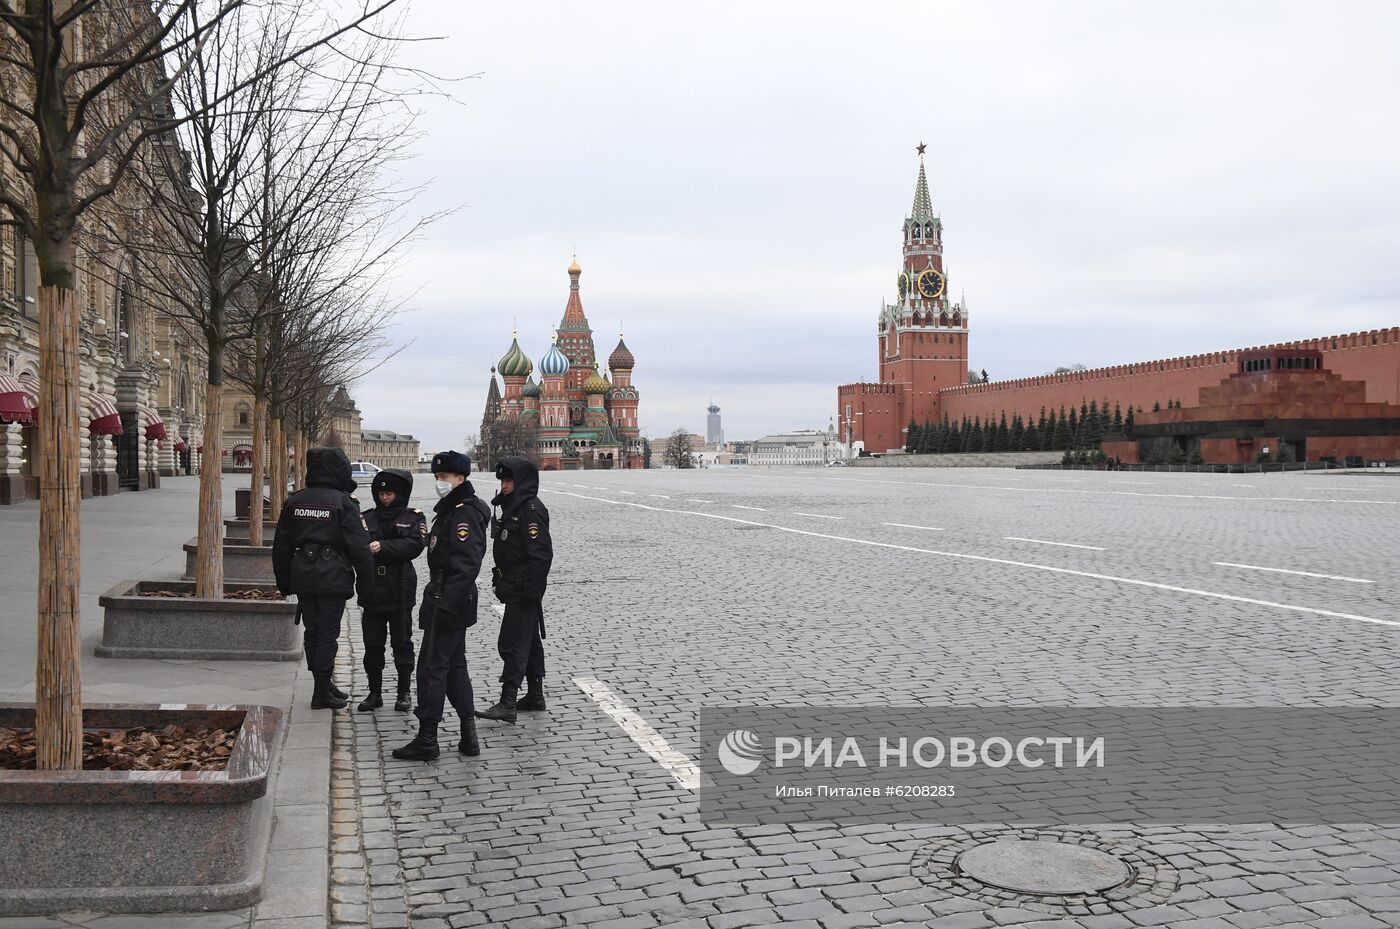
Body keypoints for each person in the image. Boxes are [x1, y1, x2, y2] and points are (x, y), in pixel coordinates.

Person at [393, 450, 490, 761]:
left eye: (444, 477)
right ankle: (468, 735)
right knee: (455, 667)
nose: (439, 482)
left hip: (450, 597)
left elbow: (466, 564)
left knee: (431, 668)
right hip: (446, 595)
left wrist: (447, 604)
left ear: (460, 478)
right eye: (436, 477)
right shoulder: (452, 509)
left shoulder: (463, 513)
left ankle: (427, 738)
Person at [273, 446, 375, 710]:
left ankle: (323, 682)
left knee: (313, 630)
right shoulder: (344, 503)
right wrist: (367, 584)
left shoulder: (295, 501)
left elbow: (281, 545)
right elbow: (359, 547)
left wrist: (283, 581)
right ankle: (321, 690)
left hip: (304, 575)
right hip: (333, 576)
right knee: (328, 633)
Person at [477, 456, 553, 724]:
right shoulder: (513, 507)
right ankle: (534, 695)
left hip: (523, 588)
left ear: (522, 482)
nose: (504, 485)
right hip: (514, 586)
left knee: (511, 643)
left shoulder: (530, 509)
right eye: (502, 480)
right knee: (529, 641)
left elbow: (541, 555)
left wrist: (532, 591)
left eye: (509, 480)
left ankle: (508, 702)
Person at [355, 469, 428, 713]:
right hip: (372, 589)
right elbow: (356, 543)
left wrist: (384, 546)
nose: (385, 498)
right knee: (373, 645)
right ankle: (374, 692)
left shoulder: (414, 517)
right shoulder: (367, 517)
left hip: (400, 588)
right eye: (381, 493)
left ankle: (404, 692)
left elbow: (415, 545)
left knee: (402, 644)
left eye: (389, 493)